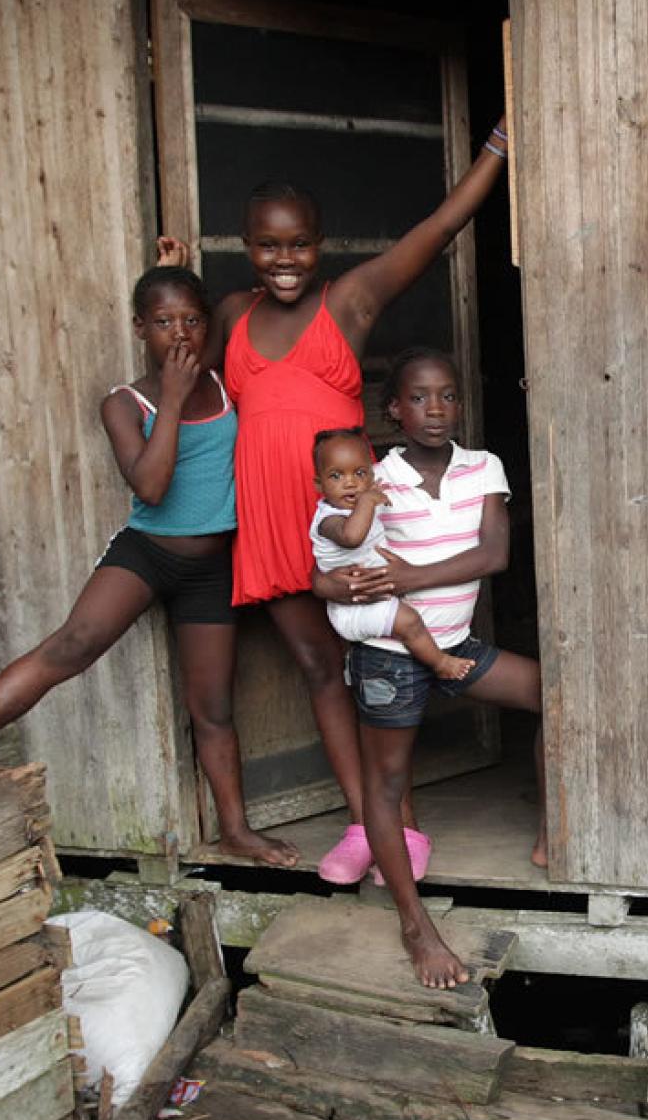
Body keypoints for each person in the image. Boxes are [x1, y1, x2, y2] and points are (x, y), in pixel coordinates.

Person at [199, 119, 508, 885]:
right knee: (316, 666)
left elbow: (437, 229)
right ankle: (364, 824)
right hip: (271, 521)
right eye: (268, 245)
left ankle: (400, 828)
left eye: (298, 244)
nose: (284, 260)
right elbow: (195, 386)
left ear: (320, 243)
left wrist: (497, 150)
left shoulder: (352, 299)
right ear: (246, 245)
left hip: (350, 526)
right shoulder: (233, 315)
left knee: (373, 658)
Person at [0, 266, 297, 865]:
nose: (180, 334)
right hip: (148, 553)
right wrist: (171, 401)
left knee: (214, 708)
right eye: (163, 322)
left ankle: (235, 829)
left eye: (192, 320)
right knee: (68, 647)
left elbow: (242, 300)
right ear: (138, 328)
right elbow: (150, 486)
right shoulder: (124, 403)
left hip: (213, 568)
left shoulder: (226, 383)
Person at [314, 348, 544, 988]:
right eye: (418, 398)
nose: (434, 409)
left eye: (446, 396)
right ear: (393, 409)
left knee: (557, 698)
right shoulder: (371, 477)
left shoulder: (484, 466)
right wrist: (332, 588)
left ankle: (557, 832)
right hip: (390, 654)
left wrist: (415, 575)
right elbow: (323, 560)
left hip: (457, 642)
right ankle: (416, 926)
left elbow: (495, 554)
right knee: (385, 787)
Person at [308, 428, 474, 682]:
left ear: (372, 476)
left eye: (360, 473)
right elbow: (352, 538)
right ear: (319, 484)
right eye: (336, 476)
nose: (350, 483)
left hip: (370, 598)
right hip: (352, 609)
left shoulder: (363, 497)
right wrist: (367, 501)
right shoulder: (328, 520)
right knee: (409, 622)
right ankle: (440, 663)